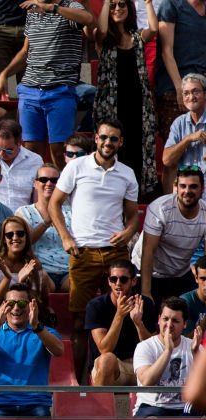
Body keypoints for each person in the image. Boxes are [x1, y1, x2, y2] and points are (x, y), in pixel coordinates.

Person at [51, 119, 140, 382]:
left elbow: (133, 215)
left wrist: (128, 231)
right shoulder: (76, 166)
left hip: (116, 253)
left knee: (123, 313)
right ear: (96, 139)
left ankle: (115, 373)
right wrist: (65, 238)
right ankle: (78, 381)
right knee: (79, 322)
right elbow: (55, 204)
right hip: (83, 253)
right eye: (103, 137)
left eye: (113, 138)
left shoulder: (127, 173)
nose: (108, 142)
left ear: (120, 142)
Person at [0, 0, 94, 168]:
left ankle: (63, 192)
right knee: (30, 152)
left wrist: (52, 8)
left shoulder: (70, 6)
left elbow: (88, 19)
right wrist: (4, 74)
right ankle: (36, 192)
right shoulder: (32, 12)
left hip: (60, 90)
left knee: (61, 151)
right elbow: (26, 51)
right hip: (30, 90)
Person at [90, 0, 159, 196]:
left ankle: (137, 194)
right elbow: (102, 28)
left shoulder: (137, 37)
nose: (118, 9)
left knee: (138, 147)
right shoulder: (104, 38)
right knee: (114, 147)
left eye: (122, 5)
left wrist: (147, 2)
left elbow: (153, 29)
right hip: (111, 105)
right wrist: (106, 2)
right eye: (114, 6)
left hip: (138, 104)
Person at [0, 283, 64, 416]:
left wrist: (37, 327)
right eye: (11, 303)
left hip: (36, 404)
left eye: (21, 303)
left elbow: (59, 351)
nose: (16, 308)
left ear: (30, 305)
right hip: (0, 404)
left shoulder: (44, 332)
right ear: (4, 305)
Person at [135, 166, 206, 303]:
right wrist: (146, 292)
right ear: (177, 188)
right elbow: (148, 250)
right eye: (183, 186)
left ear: (202, 189)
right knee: (147, 311)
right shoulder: (160, 208)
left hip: (180, 271)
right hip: (150, 270)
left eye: (193, 187)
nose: (187, 191)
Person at [87, 259, 157, 387]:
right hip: (113, 368)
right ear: (109, 281)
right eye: (113, 279)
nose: (118, 284)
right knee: (107, 359)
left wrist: (138, 323)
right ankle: (101, 407)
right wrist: (119, 315)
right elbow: (104, 349)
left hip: (140, 367)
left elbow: (154, 348)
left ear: (134, 281)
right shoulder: (96, 306)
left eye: (123, 279)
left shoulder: (145, 304)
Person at [133, 296, 199, 416]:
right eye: (165, 319)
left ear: (184, 324)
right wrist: (168, 351)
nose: (169, 325)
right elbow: (147, 381)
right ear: (159, 320)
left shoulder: (194, 346)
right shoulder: (145, 347)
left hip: (184, 408)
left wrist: (196, 354)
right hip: (152, 406)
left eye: (175, 321)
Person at [155, 0, 206, 142]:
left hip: (202, 90)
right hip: (174, 91)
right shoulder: (171, 5)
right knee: (176, 152)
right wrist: (180, 88)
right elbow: (166, 51)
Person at [16, 163, 71, 292]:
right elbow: (25, 241)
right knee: (41, 279)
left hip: (68, 270)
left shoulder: (71, 212)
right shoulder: (24, 212)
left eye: (54, 180)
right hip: (41, 269)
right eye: (43, 179)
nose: (49, 183)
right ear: (35, 184)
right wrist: (47, 221)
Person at [0, 216, 51, 311]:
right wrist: (8, 279)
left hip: (24, 315)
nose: (15, 238)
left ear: (27, 237)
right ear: (4, 240)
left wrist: (22, 283)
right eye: (10, 235)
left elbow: (36, 305)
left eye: (20, 234)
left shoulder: (33, 264)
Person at [162, 74, 206, 190]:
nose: (191, 97)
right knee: (169, 166)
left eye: (196, 92)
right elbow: (166, 160)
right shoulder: (179, 123)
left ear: (205, 94)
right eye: (186, 93)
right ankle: (171, 205)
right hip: (186, 189)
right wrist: (188, 139)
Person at [180, 256, 206, 334]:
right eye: (203, 279)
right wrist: (203, 324)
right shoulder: (185, 303)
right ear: (196, 278)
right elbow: (183, 342)